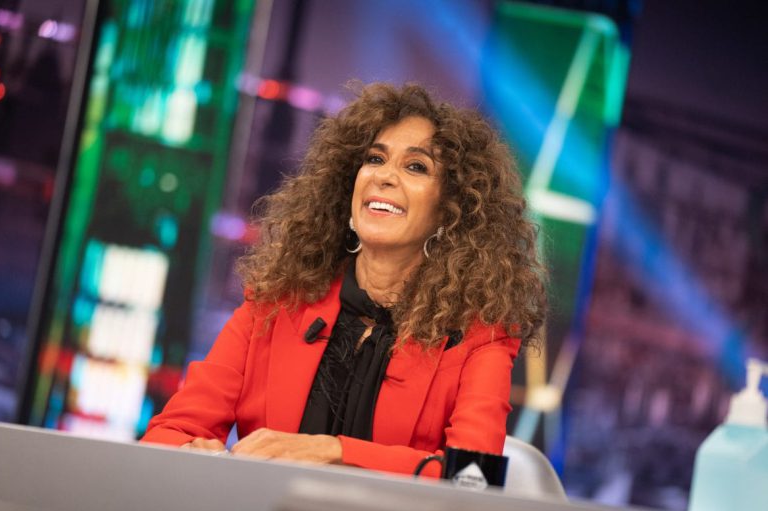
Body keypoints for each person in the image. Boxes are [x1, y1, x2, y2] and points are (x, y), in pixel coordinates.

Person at [141, 82, 546, 478]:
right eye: (374, 159)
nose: (383, 177)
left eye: (416, 166)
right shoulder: (276, 302)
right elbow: (169, 432)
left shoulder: (479, 336)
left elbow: (474, 477)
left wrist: (334, 452)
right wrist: (194, 453)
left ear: (451, 210)